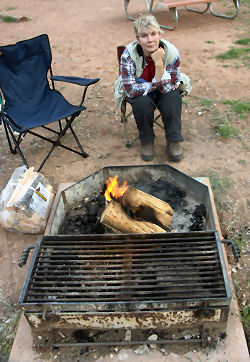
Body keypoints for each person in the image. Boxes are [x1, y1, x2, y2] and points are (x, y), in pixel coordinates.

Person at [114, 14, 191, 162]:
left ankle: (173, 140)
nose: (150, 40)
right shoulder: (128, 55)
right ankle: (147, 141)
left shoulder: (172, 52)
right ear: (138, 39)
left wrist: (158, 63)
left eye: (153, 34)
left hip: (162, 88)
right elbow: (130, 89)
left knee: (172, 98)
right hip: (141, 90)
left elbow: (170, 86)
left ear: (159, 35)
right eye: (144, 36)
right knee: (141, 103)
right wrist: (153, 85)